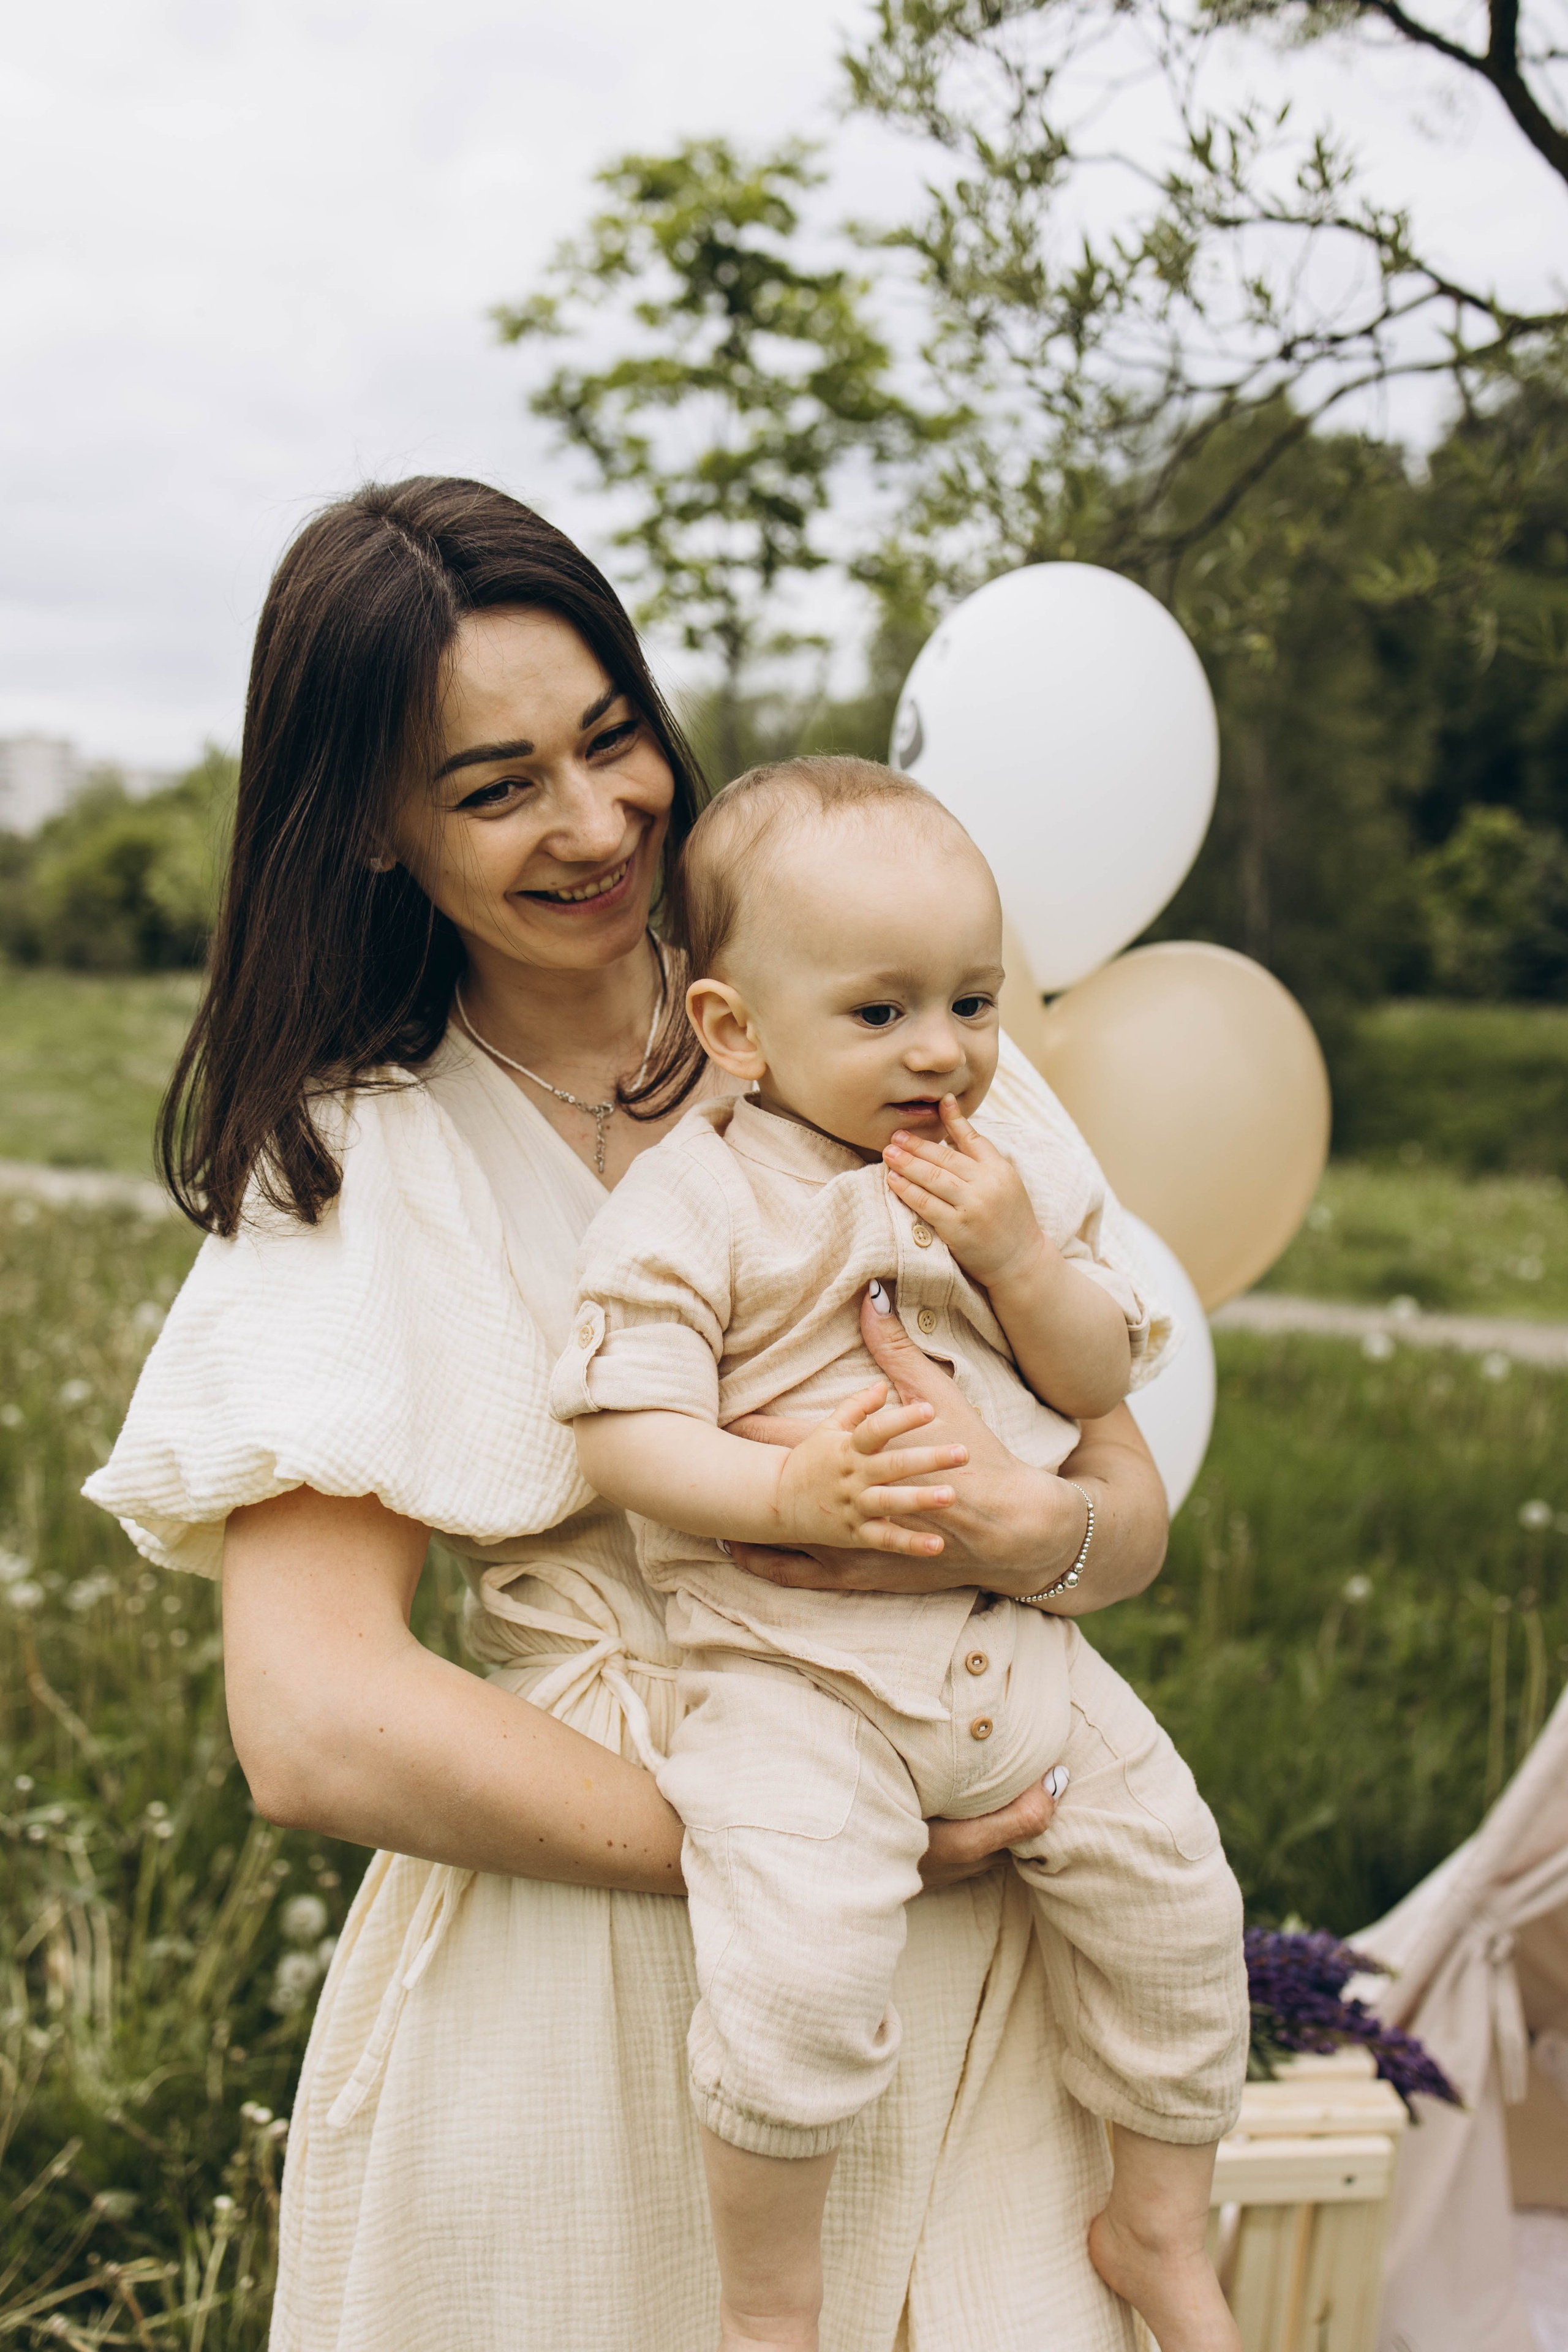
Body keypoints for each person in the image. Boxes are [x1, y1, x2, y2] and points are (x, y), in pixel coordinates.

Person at [89, 475, 1184, 2352]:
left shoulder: (879, 1019)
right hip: (612, 1954)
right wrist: (786, 1837)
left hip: (980, 1911)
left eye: (613, 741)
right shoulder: (363, 1154)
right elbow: (314, 1720)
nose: (596, 823)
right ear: (369, 825)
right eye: (496, 785)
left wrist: (1039, 1536)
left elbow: (1126, 1510)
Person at [553, 757, 1248, 2352]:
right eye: (882, 1014)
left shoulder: (1016, 1162)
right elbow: (624, 1432)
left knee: (1180, 1914)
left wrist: (1015, 1255)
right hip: (800, 1683)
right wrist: (790, 1491)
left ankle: (1157, 2230)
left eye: (974, 1001)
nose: (944, 1050)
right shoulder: (697, 1205)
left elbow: (1095, 1382)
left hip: (1029, 1662)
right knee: (794, 1975)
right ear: (736, 1030)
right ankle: (771, 2312)